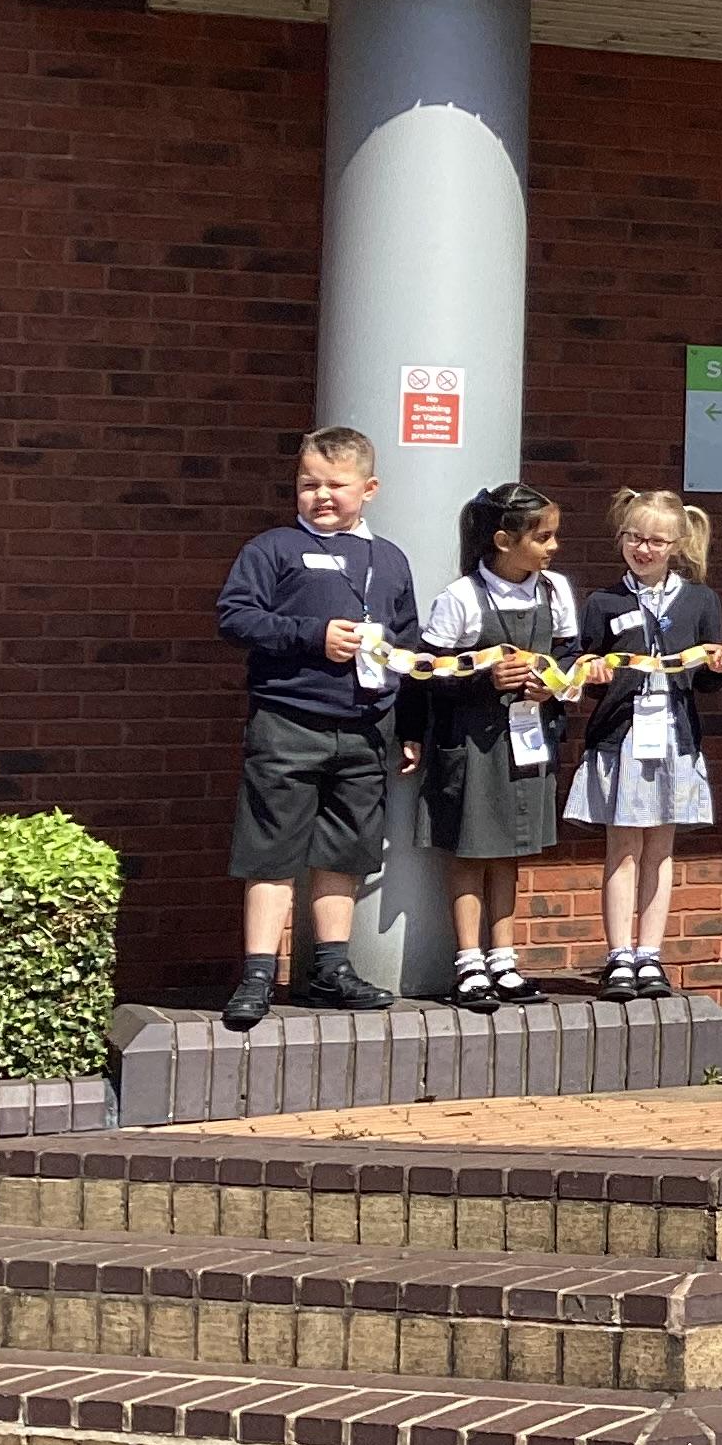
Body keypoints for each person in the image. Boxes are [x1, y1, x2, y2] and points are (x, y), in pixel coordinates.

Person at [212, 426, 424, 1029]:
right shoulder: (273, 548)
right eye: (309, 484)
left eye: (336, 485)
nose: (321, 496)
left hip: (365, 727)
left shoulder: (389, 558)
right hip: (288, 721)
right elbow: (235, 616)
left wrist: (409, 727)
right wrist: (312, 636)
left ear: (369, 489)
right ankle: (258, 974)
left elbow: (408, 647)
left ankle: (331, 969)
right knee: (271, 849)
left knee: (346, 850)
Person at [567, 489, 722, 1003]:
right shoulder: (603, 602)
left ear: (676, 545)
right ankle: (619, 955)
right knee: (622, 848)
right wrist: (589, 671)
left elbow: (704, 684)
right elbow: (582, 671)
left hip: (673, 737)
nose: (643, 549)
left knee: (660, 850)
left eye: (656, 541)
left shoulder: (700, 601)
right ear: (621, 537)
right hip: (620, 737)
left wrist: (717, 667)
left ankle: (649, 954)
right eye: (634, 538)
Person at [415, 482, 581, 1011]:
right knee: (471, 847)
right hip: (472, 741)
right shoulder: (461, 598)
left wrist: (552, 685)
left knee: (510, 846)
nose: (553, 547)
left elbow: (570, 657)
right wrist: (484, 679)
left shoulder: (556, 591)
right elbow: (427, 672)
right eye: (543, 537)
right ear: (504, 541)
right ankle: (469, 963)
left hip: (526, 739)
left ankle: (504, 959)